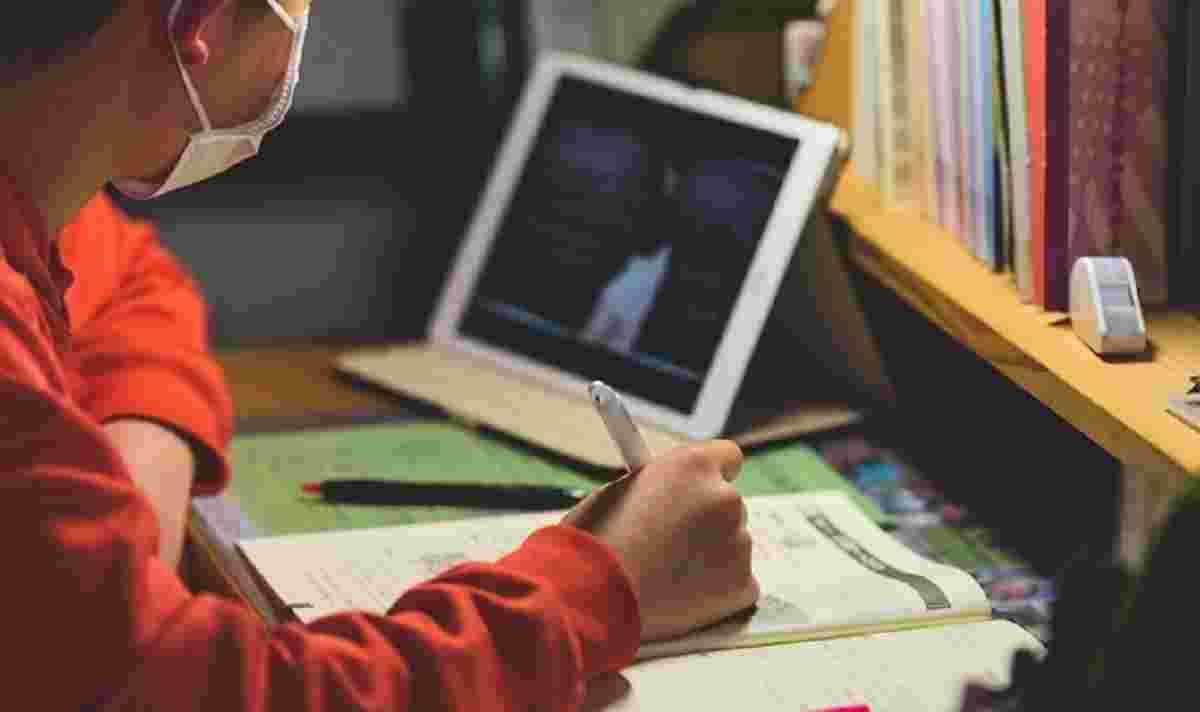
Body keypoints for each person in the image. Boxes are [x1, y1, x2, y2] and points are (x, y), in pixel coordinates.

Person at [0, 2, 759, 710]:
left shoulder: (36, 185)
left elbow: (128, 275)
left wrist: (119, 520)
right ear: (200, 20)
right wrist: (595, 589)